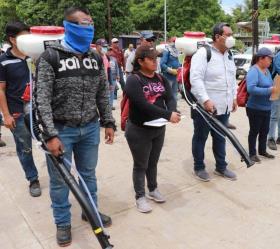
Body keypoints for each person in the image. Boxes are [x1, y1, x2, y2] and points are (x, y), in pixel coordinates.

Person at [35, 7, 116, 246]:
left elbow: (103, 92)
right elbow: (42, 99)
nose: (89, 27)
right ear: (69, 26)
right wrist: (50, 134)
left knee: (88, 175)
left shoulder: (94, 58)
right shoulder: (51, 57)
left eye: (91, 23)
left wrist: (108, 121)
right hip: (62, 130)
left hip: (90, 128)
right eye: (83, 23)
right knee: (60, 181)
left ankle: (90, 211)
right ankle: (62, 223)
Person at [124, 45, 180, 213]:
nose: (155, 62)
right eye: (151, 59)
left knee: (153, 162)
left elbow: (170, 97)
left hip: (158, 128)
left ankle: (153, 189)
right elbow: (143, 105)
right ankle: (140, 196)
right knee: (141, 164)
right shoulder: (134, 80)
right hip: (139, 129)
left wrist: (172, 110)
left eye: (156, 58)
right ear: (140, 61)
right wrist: (167, 115)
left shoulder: (161, 79)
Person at [190, 23, 238, 181]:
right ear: (218, 37)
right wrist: (205, 100)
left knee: (220, 137)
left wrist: (234, 97)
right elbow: (195, 79)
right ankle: (199, 167)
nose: (232, 38)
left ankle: (221, 167)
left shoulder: (229, 55)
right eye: (228, 34)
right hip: (205, 108)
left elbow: (232, 79)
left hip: (223, 106)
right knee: (200, 137)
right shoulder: (204, 53)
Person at [0, 21, 41, 196]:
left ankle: (58, 174)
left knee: (48, 142)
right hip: (17, 112)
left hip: (38, 110)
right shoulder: (3, 62)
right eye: (24, 36)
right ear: (12, 39)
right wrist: (7, 115)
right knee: (25, 148)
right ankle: (33, 179)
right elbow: (0, 90)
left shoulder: (34, 56)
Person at [246, 48, 277, 163]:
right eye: (269, 59)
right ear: (261, 58)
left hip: (267, 106)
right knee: (254, 131)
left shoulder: (267, 71)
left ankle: (262, 150)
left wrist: (277, 90)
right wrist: (269, 90)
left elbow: (270, 86)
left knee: (265, 130)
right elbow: (251, 89)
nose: (270, 61)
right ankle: (252, 153)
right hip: (255, 107)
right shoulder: (254, 71)